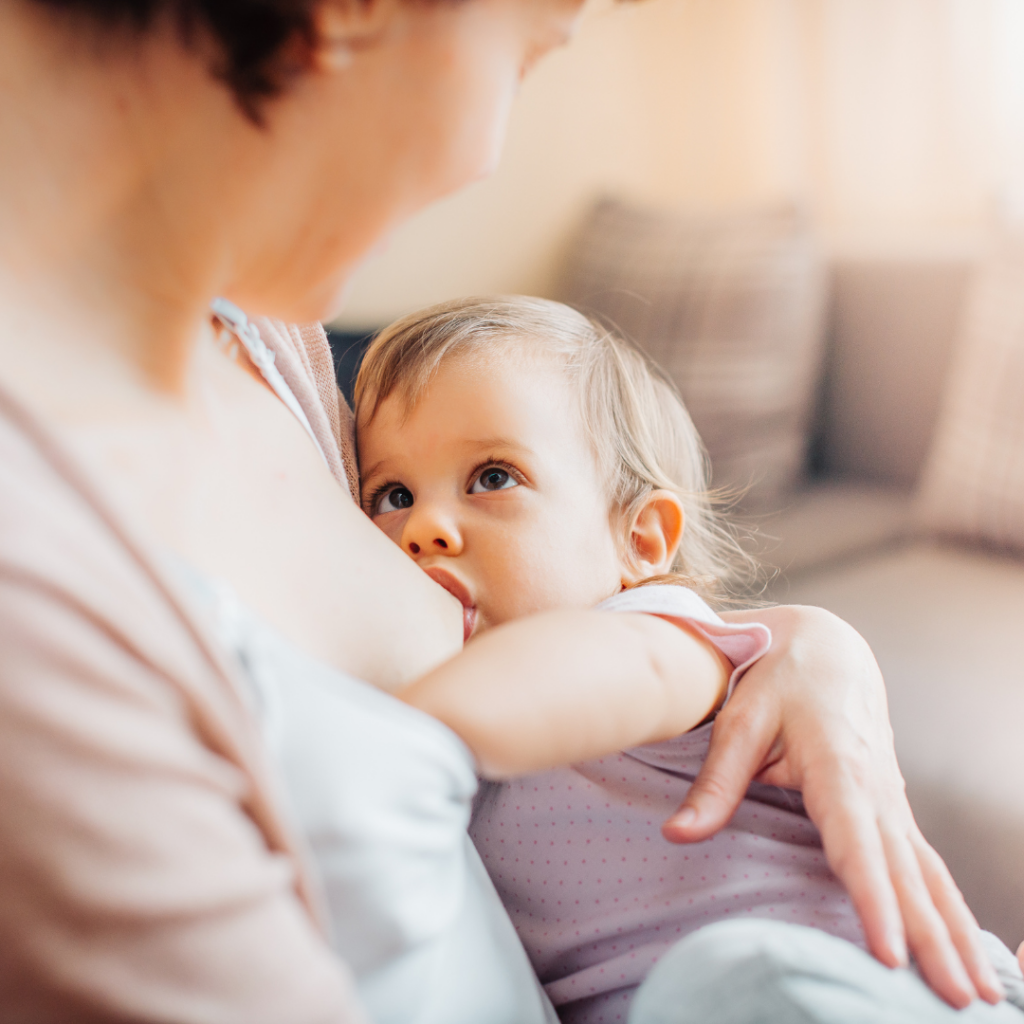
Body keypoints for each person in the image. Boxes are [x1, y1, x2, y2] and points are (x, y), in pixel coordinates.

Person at [0, 0, 1005, 1018]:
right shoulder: (44, 575)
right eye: (528, 50)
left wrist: (808, 647)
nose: (422, 527)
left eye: (491, 478)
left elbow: (581, 675)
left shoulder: (281, 358)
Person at [351, 295, 1024, 1023]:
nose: (424, 528)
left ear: (640, 541)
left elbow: (555, 686)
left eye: (491, 477)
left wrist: (384, 726)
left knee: (727, 978)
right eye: (391, 494)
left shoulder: (662, 638)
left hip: (889, 986)